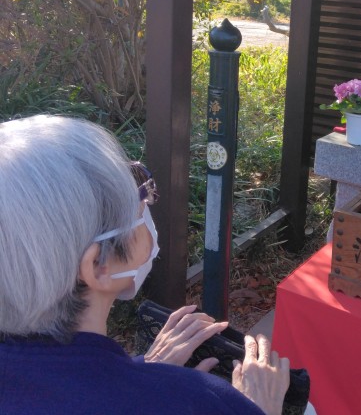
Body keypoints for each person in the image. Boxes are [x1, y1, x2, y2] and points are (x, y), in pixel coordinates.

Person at [0, 114, 290, 415]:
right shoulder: (202, 402)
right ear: (100, 265)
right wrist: (256, 408)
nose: (147, 211)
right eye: (138, 205)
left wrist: (141, 370)